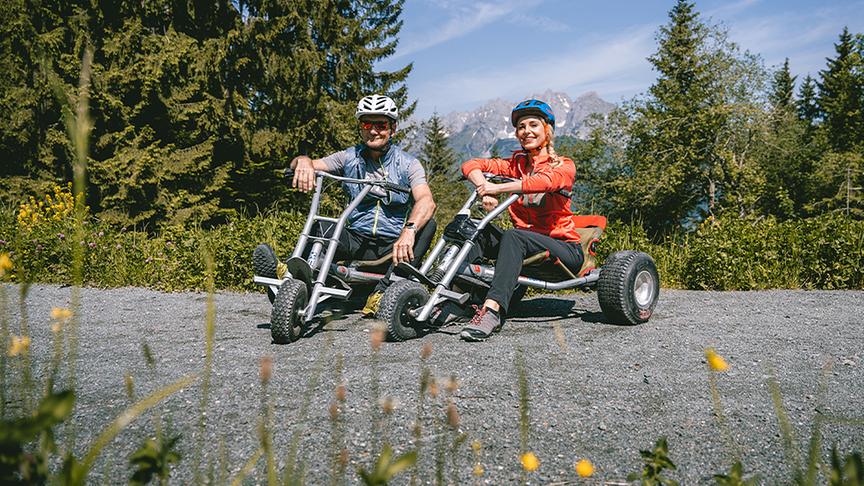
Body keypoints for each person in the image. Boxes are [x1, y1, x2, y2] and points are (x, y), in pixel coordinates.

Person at [253, 94, 437, 317]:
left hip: (392, 246)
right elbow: (311, 164)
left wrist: (408, 231)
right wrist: (302, 161)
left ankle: (383, 293)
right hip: (355, 240)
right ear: (360, 128)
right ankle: (292, 277)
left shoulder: (409, 164)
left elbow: (426, 200)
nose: (374, 130)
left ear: (393, 128)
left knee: (427, 226)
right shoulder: (349, 157)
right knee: (320, 226)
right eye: (367, 124)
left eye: (381, 124)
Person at [458, 99, 584, 341]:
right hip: (524, 247)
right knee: (475, 230)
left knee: (513, 236)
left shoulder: (564, 165)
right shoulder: (515, 164)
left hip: (564, 251)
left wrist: (498, 189)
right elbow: (470, 164)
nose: (526, 131)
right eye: (521, 127)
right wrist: (483, 185)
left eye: (533, 125)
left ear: (547, 129)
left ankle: (492, 312)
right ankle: (462, 298)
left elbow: (545, 182)